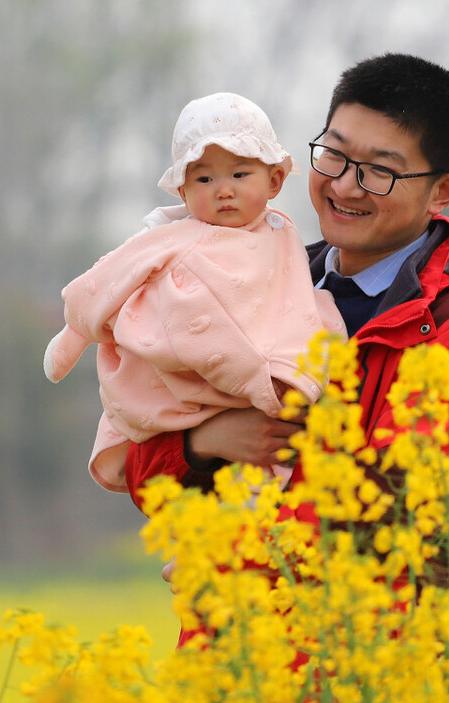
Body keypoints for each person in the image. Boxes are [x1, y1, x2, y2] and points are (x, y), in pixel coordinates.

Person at [123, 53, 449, 539]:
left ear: (442, 191)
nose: (343, 186)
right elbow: (141, 471)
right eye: (334, 155)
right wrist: (202, 443)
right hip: (238, 612)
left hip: (370, 611)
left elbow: (396, 500)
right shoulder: (269, 272)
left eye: (380, 171)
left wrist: (236, 554)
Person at [45, 92, 344, 493]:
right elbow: (102, 285)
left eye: (240, 175)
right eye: (204, 178)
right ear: (183, 192)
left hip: (263, 392)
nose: (223, 190)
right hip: (197, 380)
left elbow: (293, 302)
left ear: (273, 181)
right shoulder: (170, 238)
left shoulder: (282, 233)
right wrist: (70, 340)